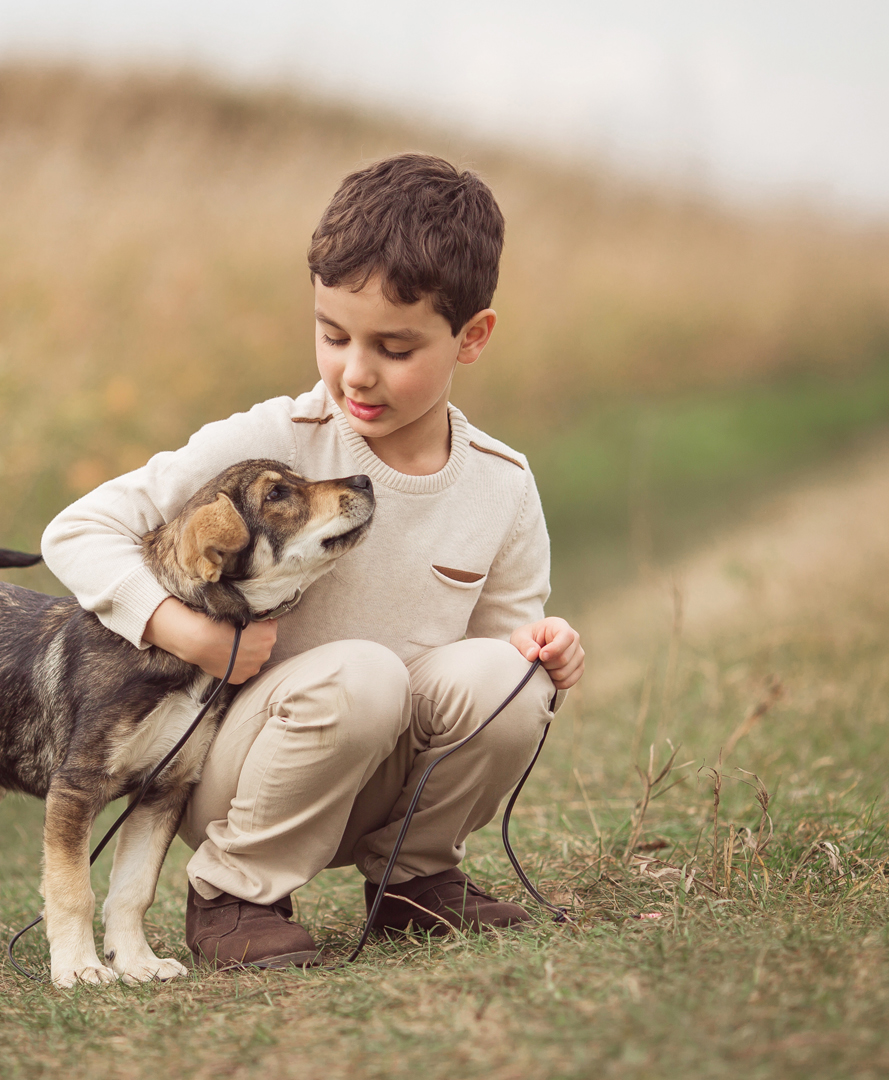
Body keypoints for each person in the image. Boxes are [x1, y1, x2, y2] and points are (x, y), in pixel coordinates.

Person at [41, 153, 585, 970]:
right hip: (243, 768)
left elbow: (500, 646)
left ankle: (415, 879)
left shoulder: (501, 484)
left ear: (472, 338)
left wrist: (544, 648)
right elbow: (76, 531)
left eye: (394, 348)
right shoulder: (275, 439)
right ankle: (235, 891)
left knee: (511, 680)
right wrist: (190, 636)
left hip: (389, 767)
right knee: (362, 675)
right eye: (333, 336)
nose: (355, 372)